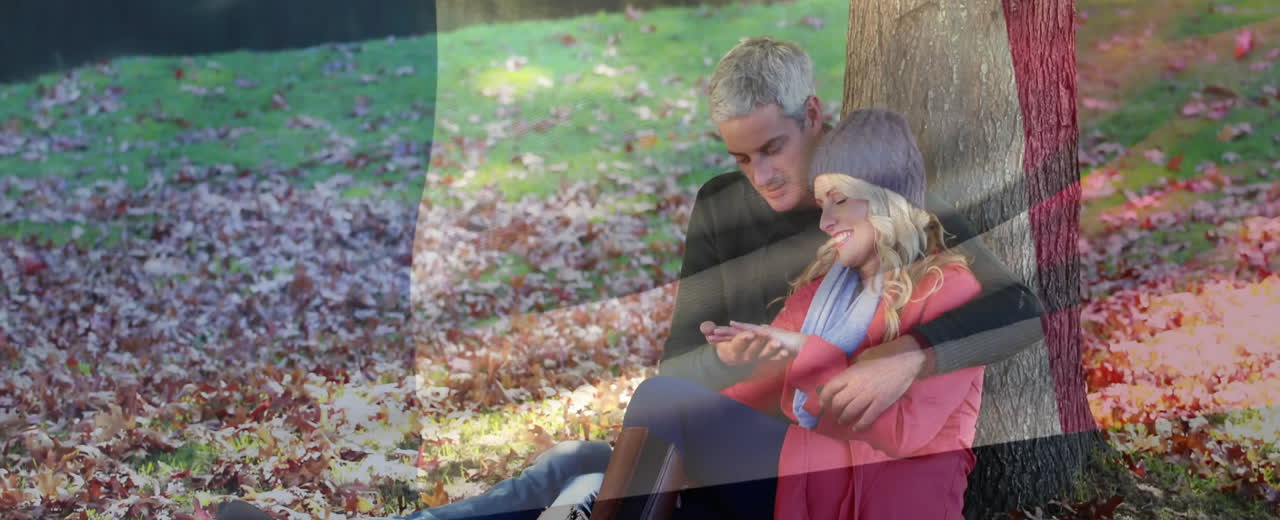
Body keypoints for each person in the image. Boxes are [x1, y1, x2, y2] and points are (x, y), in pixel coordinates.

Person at [218, 37, 1042, 520]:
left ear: (815, 119)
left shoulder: (889, 212)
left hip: (797, 461)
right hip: (734, 434)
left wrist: (911, 356)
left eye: (773, 150)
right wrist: (729, 371)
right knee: (563, 470)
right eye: (740, 156)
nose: (759, 174)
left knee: (612, 463)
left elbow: (1014, 305)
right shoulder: (724, 208)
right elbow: (687, 357)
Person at [617, 107, 984, 519]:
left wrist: (808, 351)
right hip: (807, 469)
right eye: (822, 203)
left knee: (662, 400)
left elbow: (902, 433)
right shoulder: (821, 288)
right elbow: (763, 397)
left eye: (840, 201)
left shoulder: (949, 290)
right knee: (682, 498)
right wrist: (738, 365)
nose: (826, 222)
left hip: (876, 492)